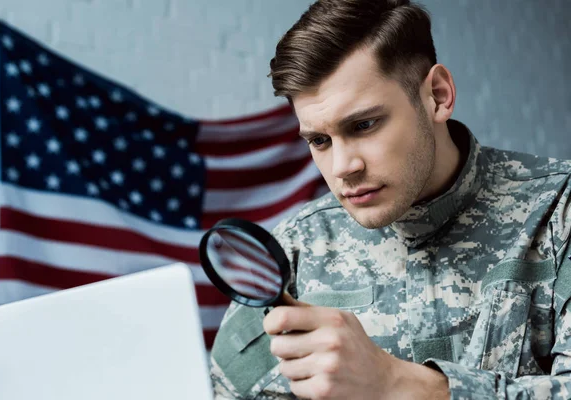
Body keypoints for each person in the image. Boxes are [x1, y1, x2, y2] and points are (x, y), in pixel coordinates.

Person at [209, 0, 571, 398]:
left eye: (364, 125)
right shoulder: (297, 248)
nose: (343, 166)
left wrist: (398, 384)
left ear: (438, 95)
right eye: (319, 140)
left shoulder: (559, 211)